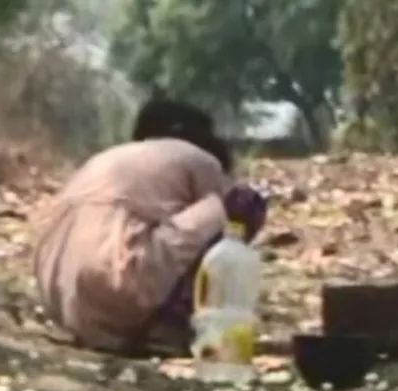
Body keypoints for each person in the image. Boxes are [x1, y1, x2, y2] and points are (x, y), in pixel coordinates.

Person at [31, 99, 268, 356]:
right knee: (239, 204)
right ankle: (171, 326)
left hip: (62, 300)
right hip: (120, 287)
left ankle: (126, 327)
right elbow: (227, 218)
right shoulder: (199, 158)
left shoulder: (106, 157)